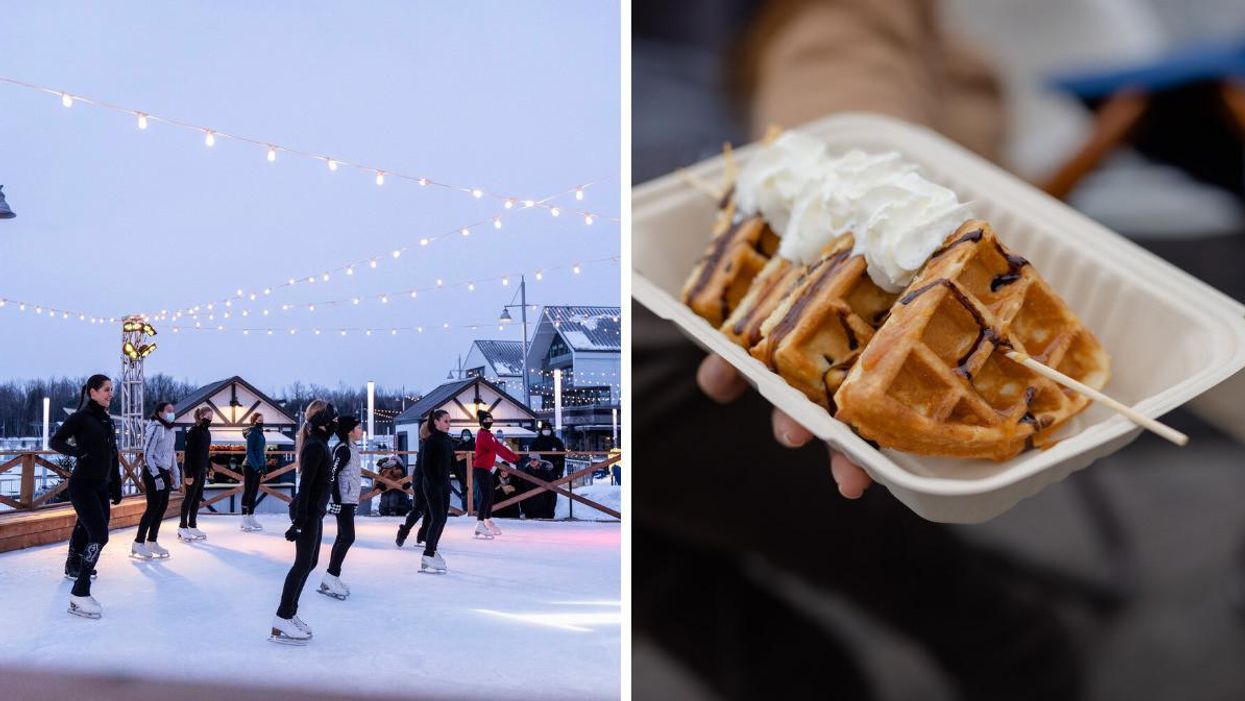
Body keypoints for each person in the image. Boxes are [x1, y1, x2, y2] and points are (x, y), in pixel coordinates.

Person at [49, 374, 123, 619]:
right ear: (92, 392)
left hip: (101, 486)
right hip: (82, 485)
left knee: (98, 535)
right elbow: (55, 441)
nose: (110, 394)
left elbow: (112, 452)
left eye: (111, 389)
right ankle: (80, 593)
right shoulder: (80, 418)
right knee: (100, 535)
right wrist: (77, 452)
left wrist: (117, 483)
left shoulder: (107, 421)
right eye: (105, 390)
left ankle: (79, 579)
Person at [270, 400, 337, 645]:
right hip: (306, 512)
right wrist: (299, 522)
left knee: (311, 563)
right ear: (321, 422)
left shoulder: (321, 444)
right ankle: (283, 616)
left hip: (314, 512)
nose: (335, 424)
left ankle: (291, 612)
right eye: (331, 419)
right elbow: (306, 485)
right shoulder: (315, 446)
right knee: (301, 564)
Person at [471, 410, 535, 538]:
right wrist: (516, 459)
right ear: (481, 422)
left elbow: (501, 447)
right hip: (481, 468)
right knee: (485, 496)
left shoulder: (488, 434)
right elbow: (499, 449)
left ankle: (487, 520)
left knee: (490, 494)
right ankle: (480, 523)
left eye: (490, 420)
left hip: (486, 469)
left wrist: (516, 458)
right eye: (486, 420)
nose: (489, 422)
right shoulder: (484, 435)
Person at [319, 416, 362, 599]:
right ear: (349, 431)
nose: (361, 430)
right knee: (348, 537)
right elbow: (332, 475)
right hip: (343, 500)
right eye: (359, 427)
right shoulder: (343, 450)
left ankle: (331, 577)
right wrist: (336, 500)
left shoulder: (352, 448)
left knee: (342, 537)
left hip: (349, 499)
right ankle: (331, 576)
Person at [133, 400, 180, 559]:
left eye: (172, 410)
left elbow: (172, 454)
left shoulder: (170, 431)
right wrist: (156, 475)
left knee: (162, 507)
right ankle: (138, 542)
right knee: (153, 507)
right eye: (168, 410)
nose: (171, 413)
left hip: (164, 471)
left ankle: (152, 541)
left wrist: (176, 474)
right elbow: (147, 454)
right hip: (153, 472)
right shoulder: (155, 428)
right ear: (160, 413)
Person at [417, 410, 454, 573]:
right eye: (445, 421)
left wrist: (460, 481)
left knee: (443, 518)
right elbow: (425, 466)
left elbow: (453, 462)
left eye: (449, 421)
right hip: (432, 485)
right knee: (437, 518)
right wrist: (433, 484)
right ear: (437, 422)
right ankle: (428, 553)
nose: (448, 424)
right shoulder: (431, 441)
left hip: (444, 484)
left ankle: (433, 549)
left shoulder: (447, 440)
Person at [178, 406, 212, 541]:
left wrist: (208, 466)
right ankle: (182, 526)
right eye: (207, 417)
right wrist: (188, 474)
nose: (209, 420)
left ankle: (192, 525)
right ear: (201, 416)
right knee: (189, 498)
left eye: (211, 418)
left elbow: (206, 452)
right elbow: (189, 454)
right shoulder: (193, 431)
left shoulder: (207, 433)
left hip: (202, 469)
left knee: (197, 498)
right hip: (193, 470)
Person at [526, 421, 565, 519]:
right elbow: (530, 457)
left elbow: (562, 458)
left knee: (551, 496)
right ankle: (534, 515)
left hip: (553, 474)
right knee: (536, 495)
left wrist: (560, 472)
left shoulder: (557, 442)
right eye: (544, 429)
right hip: (536, 475)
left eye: (548, 429)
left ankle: (550, 514)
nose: (546, 431)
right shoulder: (535, 442)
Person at [240, 412, 267, 531]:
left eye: (262, 420)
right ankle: (244, 518)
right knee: (248, 492)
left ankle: (251, 516)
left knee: (254, 492)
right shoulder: (251, 433)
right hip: (249, 466)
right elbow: (250, 452)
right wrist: (256, 467)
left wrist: (264, 467)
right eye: (259, 420)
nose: (261, 422)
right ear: (254, 421)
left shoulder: (260, 433)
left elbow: (261, 452)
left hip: (258, 467)